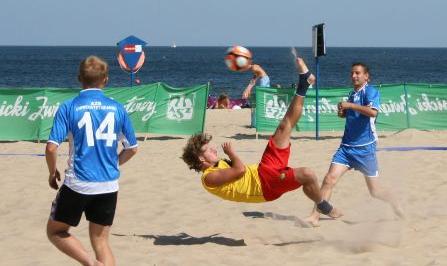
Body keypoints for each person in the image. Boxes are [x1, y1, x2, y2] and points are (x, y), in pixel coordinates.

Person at [182, 56, 341, 219]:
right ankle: (323, 205)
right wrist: (232, 154)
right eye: (207, 150)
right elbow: (240, 170)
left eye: (210, 146)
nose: (213, 149)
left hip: (262, 170)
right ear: (200, 159)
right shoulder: (209, 178)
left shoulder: (216, 165)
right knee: (308, 174)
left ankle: (304, 83)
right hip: (265, 186)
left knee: (284, 126)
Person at [45, 56, 138, 266]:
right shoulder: (117, 108)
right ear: (105, 80)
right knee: (101, 241)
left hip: (79, 182)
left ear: (79, 78)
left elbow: (51, 148)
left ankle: (90, 263)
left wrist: (52, 172)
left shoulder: (69, 106)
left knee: (56, 231)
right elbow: (132, 149)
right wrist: (113, 163)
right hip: (108, 184)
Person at [305, 62, 404, 227]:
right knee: (329, 179)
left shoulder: (371, 92)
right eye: (352, 73)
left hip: (365, 149)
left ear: (366, 76)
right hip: (346, 148)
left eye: (357, 73)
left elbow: (373, 112)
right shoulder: (352, 94)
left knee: (375, 192)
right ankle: (314, 216)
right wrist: (343, 113)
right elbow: (352, 115)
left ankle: (394, 202)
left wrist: (350, 106)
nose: (354, 76)